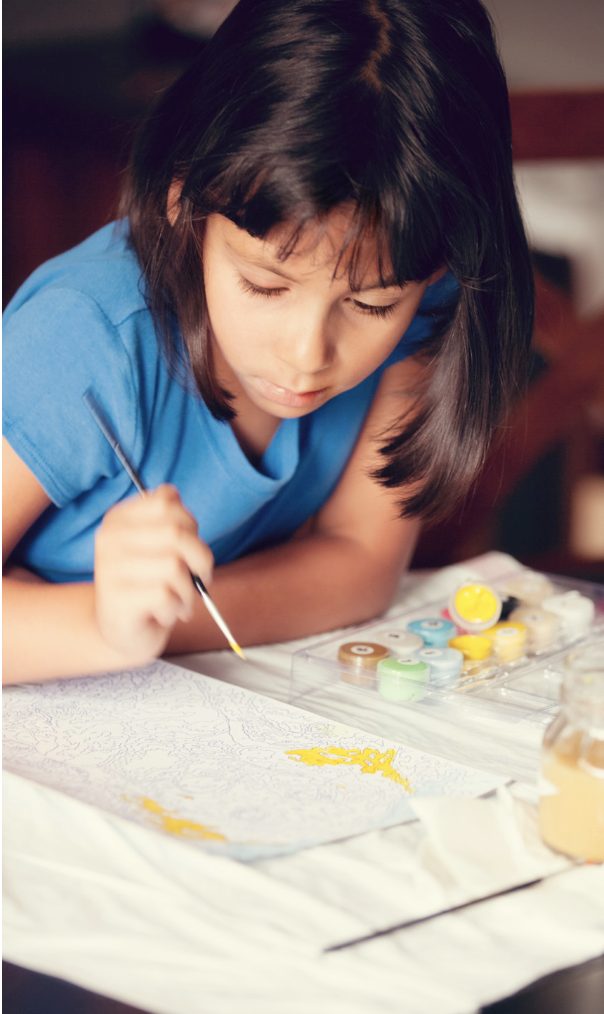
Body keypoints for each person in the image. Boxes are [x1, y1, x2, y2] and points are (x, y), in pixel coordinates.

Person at [2, 0, 533, 684]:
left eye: (371, 303)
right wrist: (104, 631)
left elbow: (361, 568)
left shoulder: (428, 301)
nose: (306, 355)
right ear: (183, 198)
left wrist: (158, 624)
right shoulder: (82, 337)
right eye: (264, 284)